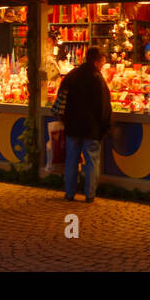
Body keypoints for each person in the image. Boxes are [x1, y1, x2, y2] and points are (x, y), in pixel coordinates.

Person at [57, 46, 112, 203]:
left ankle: (69, 193)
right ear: (96, 61)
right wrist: (104, 126)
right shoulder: (97, 79)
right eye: (102, 61)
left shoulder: (72, 75)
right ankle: (90, 194)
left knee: (72, 160)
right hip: (91, 128)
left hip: (72, 126)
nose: (103, 65)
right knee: (91, 161)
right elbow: (104, 106)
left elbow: (61, 99)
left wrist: (65, 119)